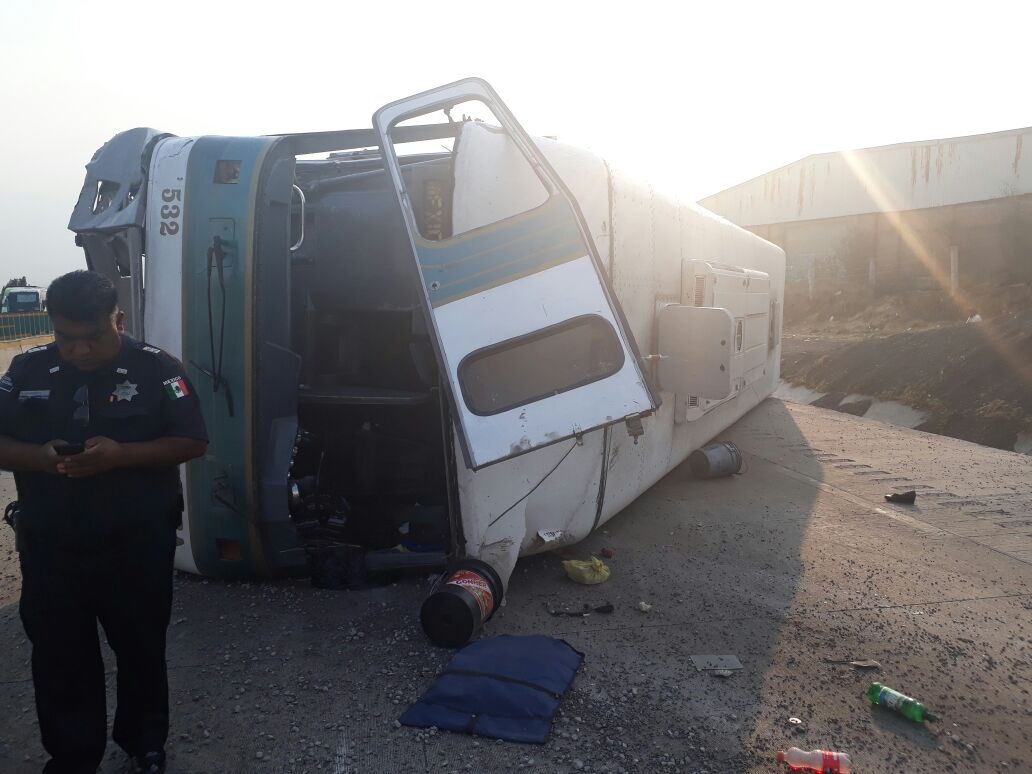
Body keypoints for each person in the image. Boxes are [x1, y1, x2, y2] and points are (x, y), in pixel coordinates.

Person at [0, 271, 208, 774]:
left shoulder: (159, 369)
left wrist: (121, 456)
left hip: (135, 545)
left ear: (117, 320)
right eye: (66, 338)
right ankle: (73, 756)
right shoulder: (25, 372)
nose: (80, 351)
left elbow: (193, 441)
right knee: (60, 656)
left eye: (93, 337)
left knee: (140, 649)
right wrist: (38, 457)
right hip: (51, 546)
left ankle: (145, 742)